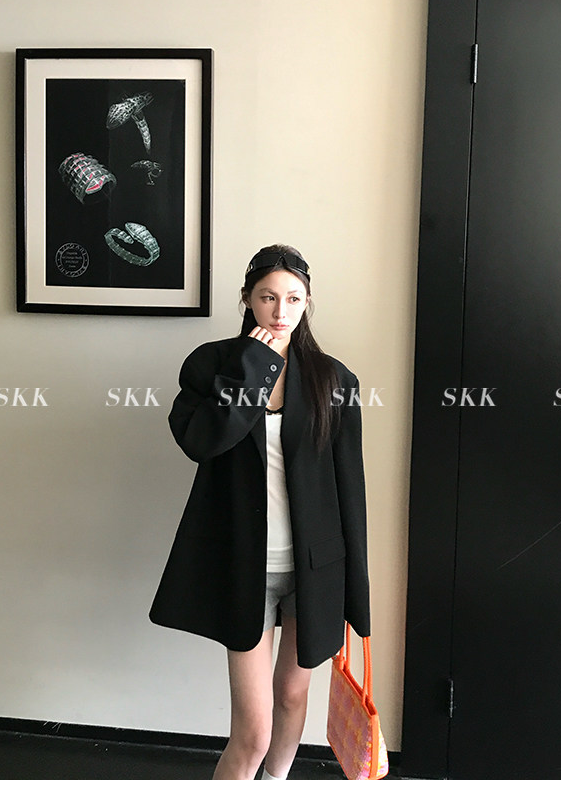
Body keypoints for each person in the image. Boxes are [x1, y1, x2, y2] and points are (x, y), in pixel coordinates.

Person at [149, 243, 371, 780]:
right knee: (253, 732)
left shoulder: (333, 379)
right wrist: (255, 365)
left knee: (292, 697)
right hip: (244, 563)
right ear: (247, 299)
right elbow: (203, 441)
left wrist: (358, 594)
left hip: (314, 568)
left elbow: (350, 486)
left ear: (307, 303)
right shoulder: (211, 365)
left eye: (293, 298)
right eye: (268, 297)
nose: (280, 310)